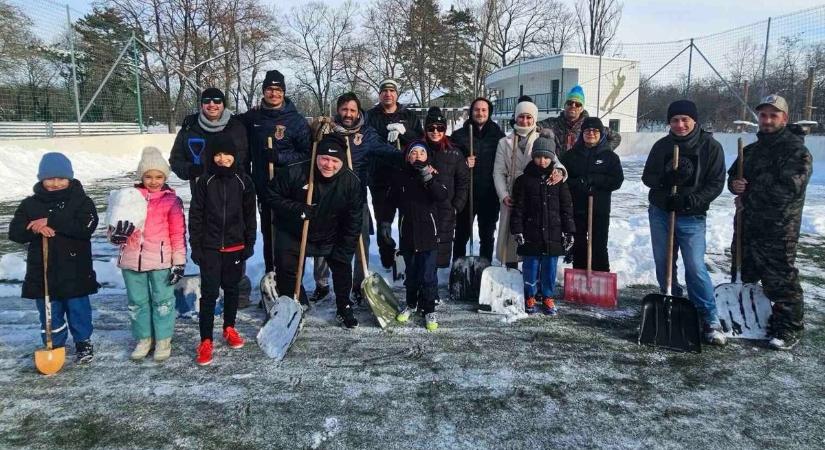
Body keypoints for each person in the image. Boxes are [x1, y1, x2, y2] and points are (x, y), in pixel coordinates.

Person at [728, 94, 812, 350]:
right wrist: (735, 184)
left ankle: (788, 328)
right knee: (744, 275)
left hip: (777, 229)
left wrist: (749, 191)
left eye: (773, 115)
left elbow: (788, 189)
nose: (767, 120)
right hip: (747, 226)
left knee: (780, 280)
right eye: (763, 115)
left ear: (784, 118)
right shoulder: (751, 151)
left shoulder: (795, 151)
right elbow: (733, 178)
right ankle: (750, 319)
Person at [641, 99, 727, 346]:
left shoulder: (710, 147)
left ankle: (709, 317)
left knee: (695, 266)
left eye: (684, 120)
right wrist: (665, 184)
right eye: (675, 120)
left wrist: (689, 200)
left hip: (692, 216)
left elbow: (715, 183)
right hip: (661, 212)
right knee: (663, 262)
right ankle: (671, 301)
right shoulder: (661, 146)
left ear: (694, 120)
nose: (679, 125)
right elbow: (649, 177)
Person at [309, 92, 399, 304]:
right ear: (338, 110)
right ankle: (322, 283)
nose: (348, 114)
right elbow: (310, 151)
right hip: (328, 196)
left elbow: (387, 152)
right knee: (323, 239)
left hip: (356, 197)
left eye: (352, 110)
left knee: (361, 240)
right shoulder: (327, 131)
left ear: (358, 112)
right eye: (344, 110)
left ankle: (359, 284)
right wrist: (313, 130)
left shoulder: (366, 134)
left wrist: (410, 154)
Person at [9, 153, 99, 364]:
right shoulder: (30, 204)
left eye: (61, 178)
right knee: (50, 311)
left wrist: (51, 220)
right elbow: (15, 233)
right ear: (41, 178)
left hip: (75, 269)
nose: (56, 183)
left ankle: (83, 341)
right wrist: (34, 227)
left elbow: (85, 228)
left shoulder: (81, 201)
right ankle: (54, 342)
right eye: (50, 178)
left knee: (78, 309)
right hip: (44, 271)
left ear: (69, 178)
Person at [267, 134, 363, 328]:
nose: (328, 165)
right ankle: (291, 304)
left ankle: (343, 305)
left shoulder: (350, 182)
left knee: (343, 264)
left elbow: (353, 222)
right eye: (324, 159)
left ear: (342, 162)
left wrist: (344, 250)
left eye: (335, 160)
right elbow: (270, 194)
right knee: (286, 266)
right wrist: (297, 209)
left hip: (330, 233)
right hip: (295, 231)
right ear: (316, 157)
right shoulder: (296, 171)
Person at [109, 147, 186, 361]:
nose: (153, 181)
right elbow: (114, 225)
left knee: (163, 301)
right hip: (131, 260)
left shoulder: (171, 201)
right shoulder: (129, 198)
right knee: (137, 302)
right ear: (141, 176)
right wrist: (115, 236)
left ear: (165, 177)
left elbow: (178, 234)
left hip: (161, 260)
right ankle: (144, 338)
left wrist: (178, 263)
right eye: (149, 176)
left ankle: (163, 339)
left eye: (159, 176)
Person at [189, 135, 257, 365]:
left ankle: (229, 327)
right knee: (209, 294)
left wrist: (250, 243)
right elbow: (196, 215)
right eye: (217, 154)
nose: (222, 159)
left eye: (226, 154)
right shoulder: (205, 181)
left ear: (234, 156)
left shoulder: (244, 181)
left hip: (235, 246)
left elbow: (250, 215)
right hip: (210, 247)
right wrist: (196, 245)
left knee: (231, 289)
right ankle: (206, 340)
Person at [238, 70, 311, 273]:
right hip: (264, 186)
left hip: (290, 188)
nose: (274, 93)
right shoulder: (252, 117)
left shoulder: (296, 120)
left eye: (278, 90)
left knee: (289, 233)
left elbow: (307, 154)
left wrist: (280, 158)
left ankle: (293, 279)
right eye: (270, 89)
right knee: (268, 232)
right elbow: (230, 125)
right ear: (263, 91)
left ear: (284, 92)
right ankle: (272, 273)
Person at [493, 99, 566, 268]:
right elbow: (498, 171)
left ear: (534, 119)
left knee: (535, 233)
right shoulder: (504, 143)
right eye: (521, 117)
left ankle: (534, 272)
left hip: (537, 194)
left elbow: (556, 162)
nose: (524, 121)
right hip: (513, 193)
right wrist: (503, 195)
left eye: (528, 117)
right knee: (512, 233)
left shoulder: (542, 139)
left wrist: (560, 172)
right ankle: (511, 268)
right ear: (515, 118)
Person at [510, 137, 576, 315]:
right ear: (533, 157)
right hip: (531, 233)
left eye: (546, 157)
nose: (542, 161)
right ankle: (529, 294)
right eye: (539, 157)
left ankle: (547, 295)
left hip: (553, 234)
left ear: (552, 158)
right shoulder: (523, 181)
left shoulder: (558, 180)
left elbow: (566, 207)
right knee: (530, 266)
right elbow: (518, 208)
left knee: (550, 267)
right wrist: (517, 229)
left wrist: (569, 231)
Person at [365, 79, 423, 269]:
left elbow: (421, 142)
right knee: (384, 222)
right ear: (380, 94)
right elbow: (367, 141)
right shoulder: (370, 116)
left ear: (396, 94)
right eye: (384, 91)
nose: (387, 94)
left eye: (391, 91)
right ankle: (387, 258)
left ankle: (407, 256)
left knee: (408, 220)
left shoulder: (409, 116)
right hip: (380, 177)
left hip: (406, 177)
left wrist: (404, 132)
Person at [392, 143, 449, 331]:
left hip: (428, 236)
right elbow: (391, 200)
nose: (417, 155)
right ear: (407, 157)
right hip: (407, 235)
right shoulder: (401, 176)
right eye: (413, 152)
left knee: (428, 276)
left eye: (421, 152)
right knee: (412, 274)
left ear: (427, 156)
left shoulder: (433, 174)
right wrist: (385, 222)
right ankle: (411, 303)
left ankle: (429, 308)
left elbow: (441, 195)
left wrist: (428, 177)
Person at [560, 117, 624, 271]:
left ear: (601, 134)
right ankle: (580, 274)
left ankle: (601, 275)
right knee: (579, 243)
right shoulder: (570, 156)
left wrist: (595, 179)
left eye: (595, 131)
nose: (591, 133)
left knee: (599, 244)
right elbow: (563, 179)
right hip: (577, 208)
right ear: (582, 133)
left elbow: (617, 180)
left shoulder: (610, 156)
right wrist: (579, 183)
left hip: (599, 209)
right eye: (587, 130)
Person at [451, 97, 505, 262]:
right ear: (471, 112)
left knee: (487, 234)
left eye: (484, 110)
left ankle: (484, 265)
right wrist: (464, 161)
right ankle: (458, 266)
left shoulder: (498, 136)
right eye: (476, 110)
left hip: (489, 194)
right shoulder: (459, 136)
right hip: (466, 194)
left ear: (489, 112)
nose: (480, 113)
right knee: (461, 233)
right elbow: (451, 160)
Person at [169, 87, 249, 193]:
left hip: (231, 193)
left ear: (223, 104)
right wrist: (190, 169)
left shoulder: (236, 128)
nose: (212, 104)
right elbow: (176, 159)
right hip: (201, 193)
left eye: (217, 100)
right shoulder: (190, 128)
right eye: (207, 101)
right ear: (202, 105)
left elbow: (244, 159)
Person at [418, 106, 469, 269]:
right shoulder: (418, 150)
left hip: (445, 209)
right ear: (426, 129)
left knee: (441, 250)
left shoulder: (454, 153)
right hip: (422, 208)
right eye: (431, 128)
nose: (435, 131)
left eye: (440, 128)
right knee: (422, 250)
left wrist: (456, 206)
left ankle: (434, 283)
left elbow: (463, 182)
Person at [538, 85, 621, 153]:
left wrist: (601, 151)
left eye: (577, 104)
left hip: (581, 170)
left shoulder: (589, 125)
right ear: (565, 106)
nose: (573, 106)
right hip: (559, 169)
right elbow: (534, 126)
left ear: (581, 109)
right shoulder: (553, 123)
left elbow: (615, 137)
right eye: (570, 103)